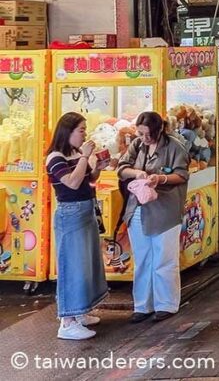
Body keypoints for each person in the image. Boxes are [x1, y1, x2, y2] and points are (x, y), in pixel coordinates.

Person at [117, 111, 189, 323]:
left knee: (164, 258)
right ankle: (142, 305)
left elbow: (182, 175)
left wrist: (161, 178)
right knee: (142, 259)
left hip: (165, 210)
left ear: (160, 130)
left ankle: (166, 304)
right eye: (141, 134)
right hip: (137, 209)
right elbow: (122, 168)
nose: (144, 138)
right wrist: (136, 173)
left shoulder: (175, 147)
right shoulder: (137, 144)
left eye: (149, 134)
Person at [46, 112, 109, 339]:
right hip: (70, 214)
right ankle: (67, 322)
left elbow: (87, 180)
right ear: (68, 131)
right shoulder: (55, 157)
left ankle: (81, 311)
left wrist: (98, 167)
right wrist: (85, 157)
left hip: (86, 209)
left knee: (86, 264)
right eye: (81, 130)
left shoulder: (74, 153)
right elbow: (71, 183)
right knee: (72, 266)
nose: (84, 134)